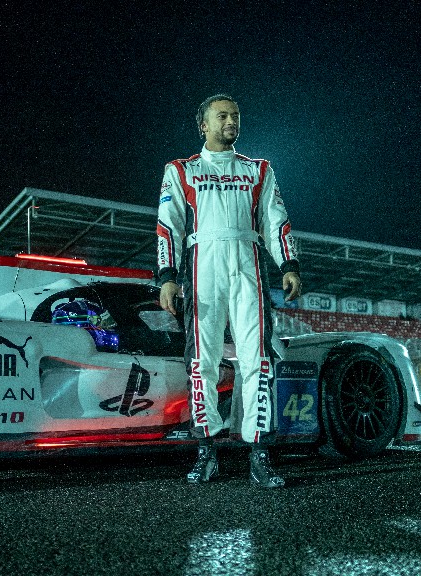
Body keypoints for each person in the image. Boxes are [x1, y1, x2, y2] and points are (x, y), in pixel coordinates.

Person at [156, 94, 301, 488]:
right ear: (203, 125)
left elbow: (276, 220)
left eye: (235, 115)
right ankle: (206, 451)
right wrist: (166, 275)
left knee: (258, 360)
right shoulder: (181, 169)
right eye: (222, 116)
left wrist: (288, 264)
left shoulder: (259, 169)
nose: (231, 121)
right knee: (201, 362)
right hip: (201, 268)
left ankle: (260, 453)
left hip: (249, 268)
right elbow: (168, 225)